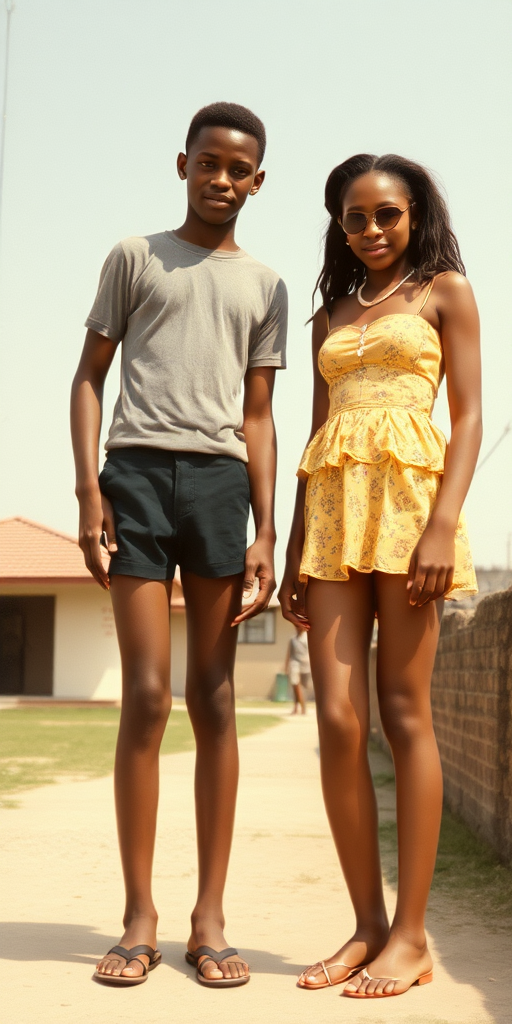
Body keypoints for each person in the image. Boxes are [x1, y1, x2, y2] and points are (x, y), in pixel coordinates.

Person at [70, 102, 287, 988]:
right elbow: (88, 376)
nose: (223, 179)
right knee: (149, 698)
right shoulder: (135, 255)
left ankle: (209, 918)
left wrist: (267, 525)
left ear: (258, 180)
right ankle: (139, 916)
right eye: (209, 163)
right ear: (183, 164)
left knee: (215, 696)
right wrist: (89, 490)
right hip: (134, 479)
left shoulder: (266, 286)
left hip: (220, 487)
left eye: (240, 168)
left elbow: (261, 416)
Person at [278, 153, 481, 998]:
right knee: (335, 716)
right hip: (330, 516)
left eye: (386, 214)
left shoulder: (445, 292)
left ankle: (411, 935)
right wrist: (293, 549)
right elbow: (316, 433)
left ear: (414, 213)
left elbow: (468, 415)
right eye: (354, 217)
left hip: (408, 512)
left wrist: (442, 524)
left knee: (404, 713)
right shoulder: (327, 315)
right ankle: (365, 925)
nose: (370, 230)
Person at [284, 626, 311, 714]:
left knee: (303, 688)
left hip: (306, 665)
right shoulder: (293, 639)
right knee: (296, 685)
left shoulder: (307, 638)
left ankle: (300, 707)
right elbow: (289, 653)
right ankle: (300, 707)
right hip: (295, 664)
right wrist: (286, 666)